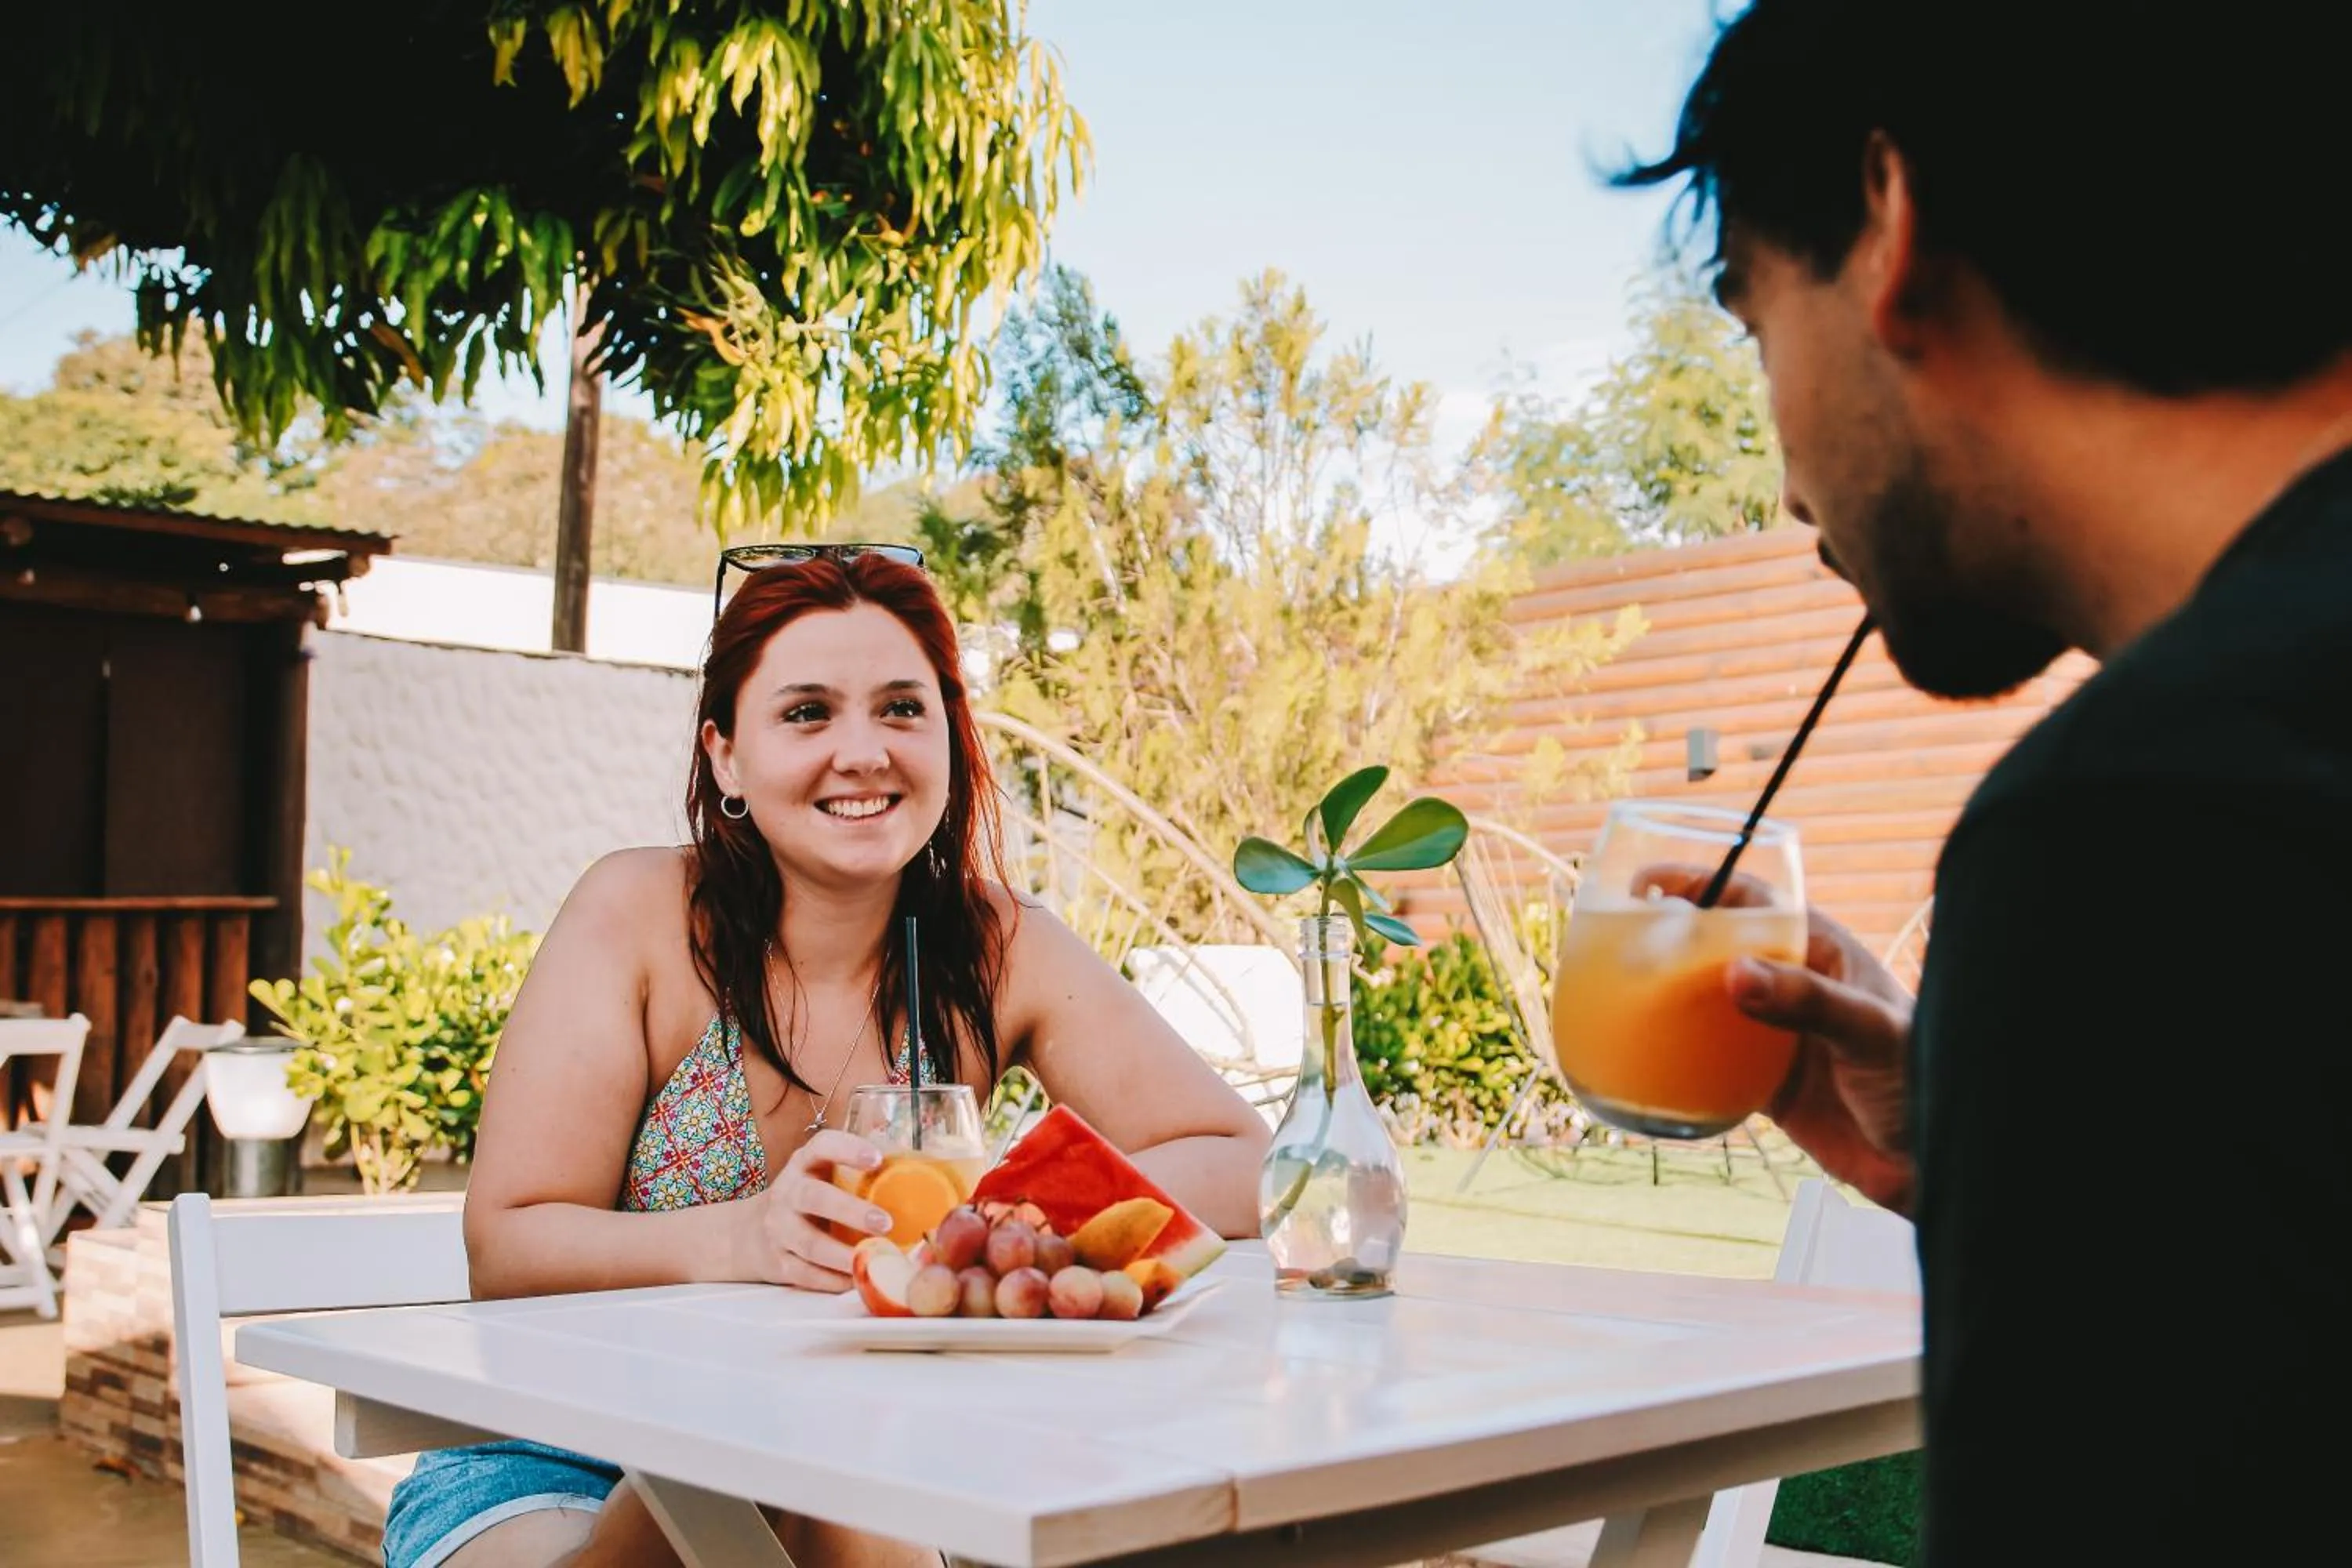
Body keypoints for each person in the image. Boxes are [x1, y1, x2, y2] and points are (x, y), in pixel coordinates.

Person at [1617, 3, 2350, 1560]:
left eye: (1756, 327)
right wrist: (2002, 1143)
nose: (1788, 481)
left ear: (1890, 224)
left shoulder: (2135, 827)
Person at [383, 548, 1271, 1568]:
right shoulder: (636, 915)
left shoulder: (1000, 946)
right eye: (808, 713)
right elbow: (507, 1245)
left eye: (903, 709)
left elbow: (1241, 1160)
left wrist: (996, 1228)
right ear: (724, 754)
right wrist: (741, 1238)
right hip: (554, 1458)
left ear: (949, 735)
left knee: (833, 1459)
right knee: (792, 1455)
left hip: (857, 1455)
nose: (864, 752)